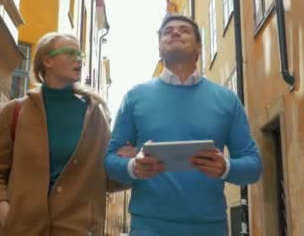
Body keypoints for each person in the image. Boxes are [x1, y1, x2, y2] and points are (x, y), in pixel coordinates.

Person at [105, 14, 263, 236]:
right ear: (159, 49)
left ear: (199, 48)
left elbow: (254, 165)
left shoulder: (227, 100)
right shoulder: (135, 97)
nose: (175, 32)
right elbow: (110, 161)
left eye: (184, 30)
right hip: (148, 227)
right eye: (167, 31)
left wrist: (226, 167)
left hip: (210, 227)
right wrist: (133, 167)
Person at [0, 32, 133, 236]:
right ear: (47, 60)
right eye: (69, 53)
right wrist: (7, 216)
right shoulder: (15, 112)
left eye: (80, 55)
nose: (78, 59)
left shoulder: (94, 116)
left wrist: (130, 165)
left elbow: (108, 179)